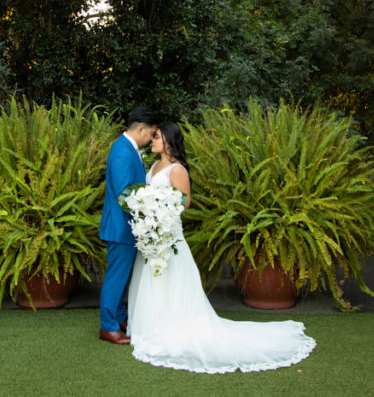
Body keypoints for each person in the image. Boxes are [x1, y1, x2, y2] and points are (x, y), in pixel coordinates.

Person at [126, 122, 316, 373]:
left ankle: (170, 326)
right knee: (152, 278)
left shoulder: (177, 169)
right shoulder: (152, 166)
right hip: (152, 235)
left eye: (157, 137)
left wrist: (160, 212)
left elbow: (184, 202)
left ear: (169, 142)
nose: (152, 140)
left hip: (168, 235)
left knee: (170, 279)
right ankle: (149, 326)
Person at [98, 106, 161, 345]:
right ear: (141, 128)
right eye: (152, 133)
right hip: (121, 226)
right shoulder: (124, 151)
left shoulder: (127, 148)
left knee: (123, 277)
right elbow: (125, 193)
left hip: (127, 226)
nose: (152, 138)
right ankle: (108, 326)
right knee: (117, 276)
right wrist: (150, 212)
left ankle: (120, 318)